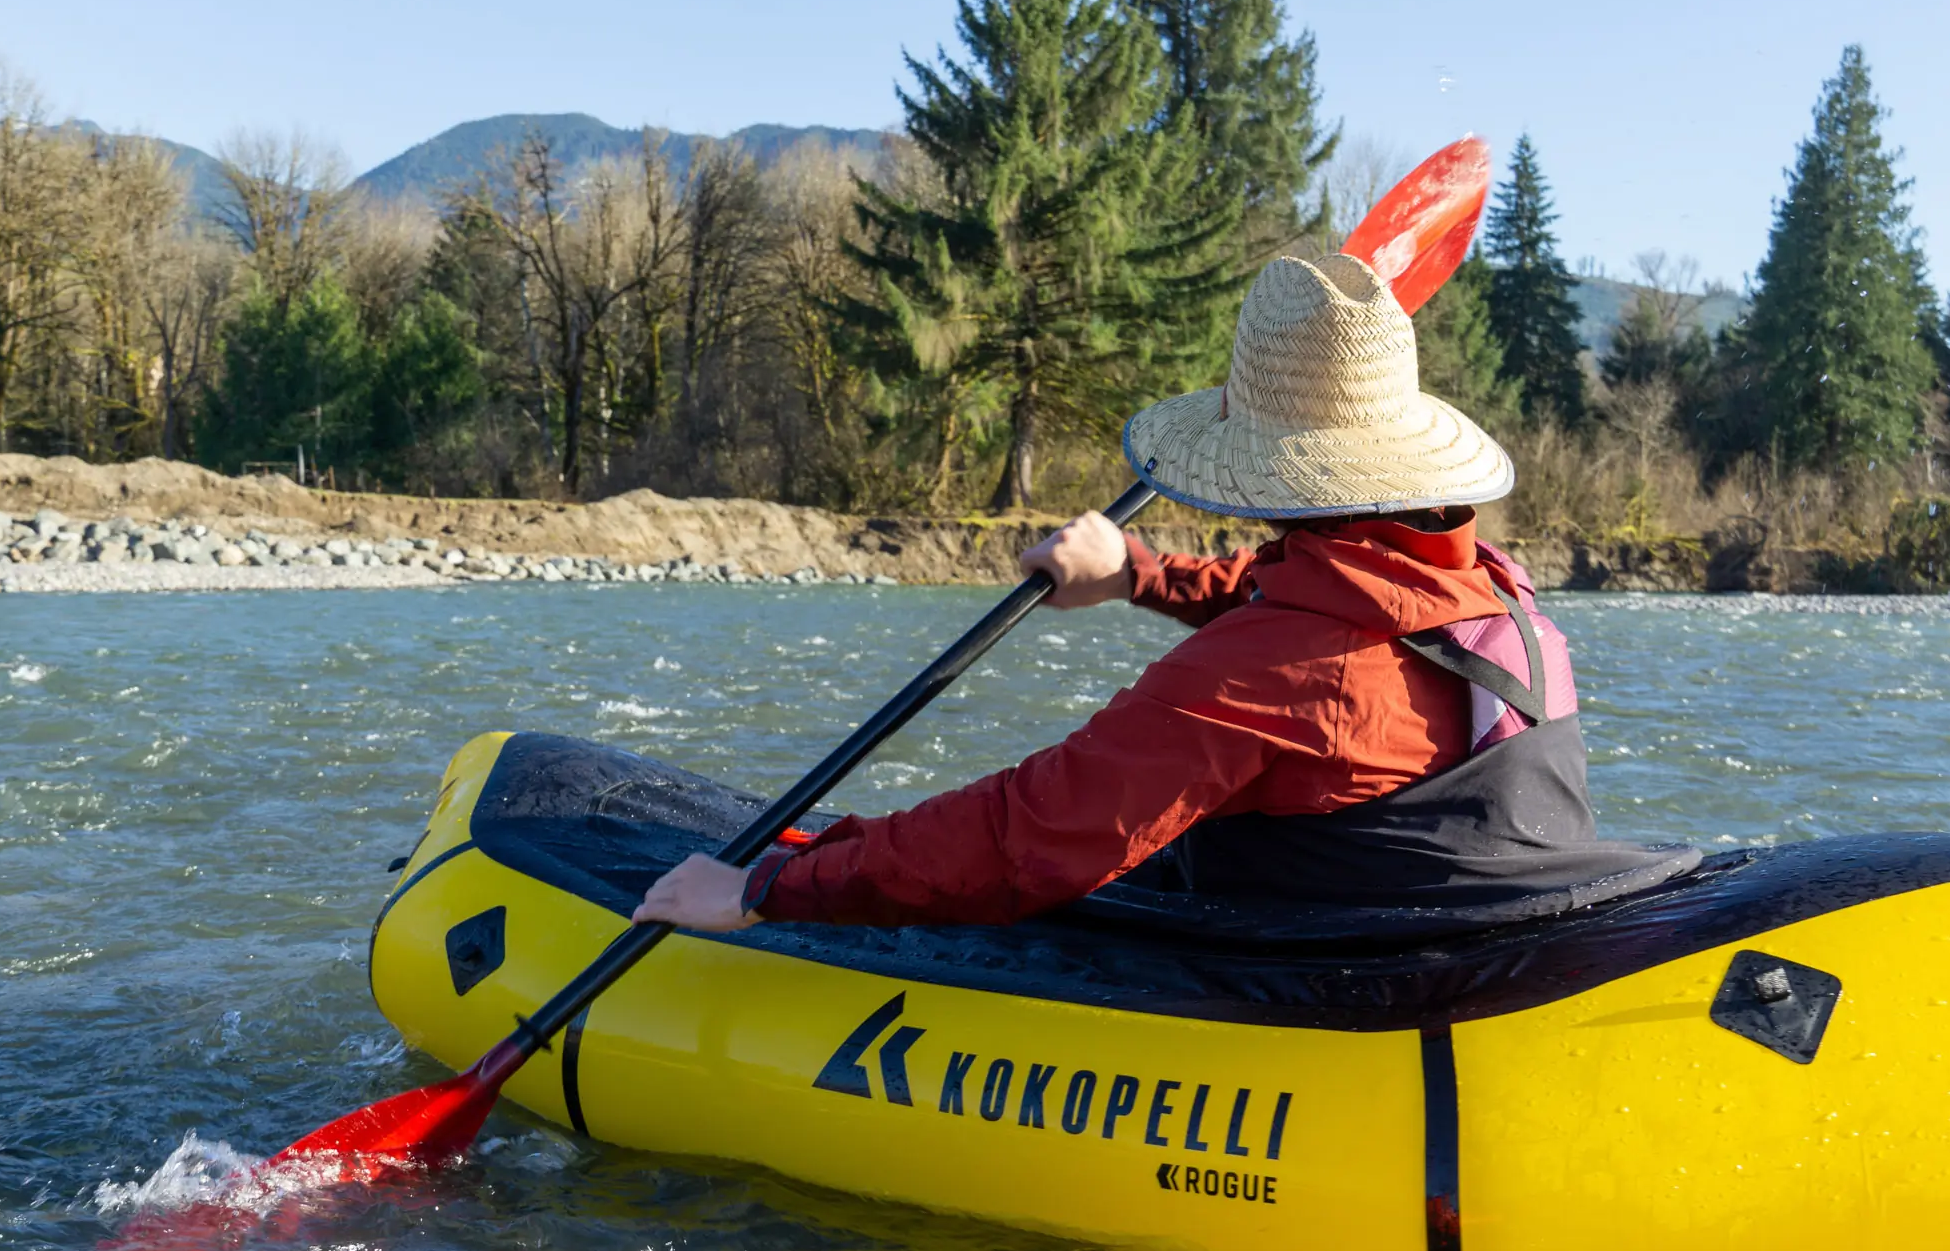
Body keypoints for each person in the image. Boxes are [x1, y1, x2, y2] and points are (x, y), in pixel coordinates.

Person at [635, 253, 1696, 934]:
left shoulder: (1269, 671)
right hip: (1493, 938)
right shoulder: (1485, 586)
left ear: (1267, 469)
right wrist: (1137, 574)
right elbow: (1308, 618)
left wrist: (764, 890)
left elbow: (1028, 834)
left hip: (1348, 993)